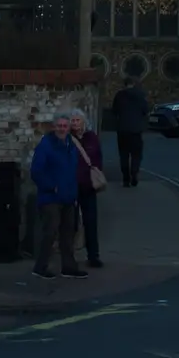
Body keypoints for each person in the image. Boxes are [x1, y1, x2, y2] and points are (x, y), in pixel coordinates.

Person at [30, 112, 87, 280]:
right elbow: (36, 171)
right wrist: (51, 187)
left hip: (69, 197)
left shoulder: (71, 144)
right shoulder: (46, 145)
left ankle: (69, 267)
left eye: (65, 126)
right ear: (54, 127)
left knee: (68, 234)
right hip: (51, 198)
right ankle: (40, 266)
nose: (62, 129)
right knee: (50, 233)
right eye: (59, 126)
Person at [69, 108, 104, 269]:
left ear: (84, 121)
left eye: (78, 120)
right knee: (71, 223)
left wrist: (96, 175)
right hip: (72, 185)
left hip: (88, 186)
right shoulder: (67, 139)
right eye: (73, 120)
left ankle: (93, 256)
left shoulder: (92, 138)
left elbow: (98, 158)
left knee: (91, 221)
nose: (75, 123)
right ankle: (69, 256)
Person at [111, 75, 148, 188]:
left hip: (122, 129)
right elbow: (145, 111)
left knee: (124, 155)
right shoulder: (140, 95)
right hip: (136, 130)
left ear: (124, 84)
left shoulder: (119, 95)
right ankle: (134, 172)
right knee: (136, 154)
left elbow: (114, 111)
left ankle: (126, 179)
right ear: (134, 84)